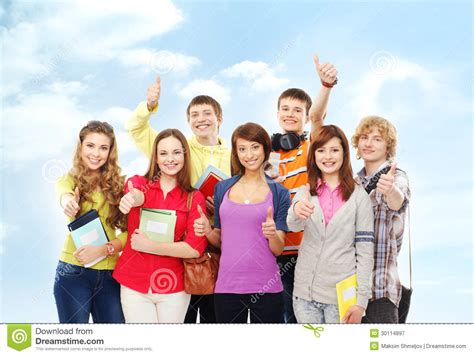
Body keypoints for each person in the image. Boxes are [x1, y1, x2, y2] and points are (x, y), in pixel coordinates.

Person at [126, 76, 229, 323]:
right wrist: (149, 106)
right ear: (188, 121)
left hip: (220, 244)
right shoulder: (179, 148)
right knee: (183, 318)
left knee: (215, 319)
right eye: (194, 114)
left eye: (207, 113)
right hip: (181, 248)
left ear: (219, 119)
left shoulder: (234, 152)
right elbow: (136, 129)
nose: (201, 118)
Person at [194, 123, 291, 323]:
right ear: (236, 153)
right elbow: (221, 240)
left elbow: (278, 249)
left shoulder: (279, 192)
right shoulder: (222, 188)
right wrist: (207, 231)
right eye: (242, 149)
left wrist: (272, 234)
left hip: (267, 288)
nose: (249, 154)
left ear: (265, 148)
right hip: (227, 287)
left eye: (255, 147)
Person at [113, 129, 207, 323]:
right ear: (155, 158)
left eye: (176, 152)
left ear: (184, 155)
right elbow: (137, 195)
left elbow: (194, 248)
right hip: (134, 284)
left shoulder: (193, 197)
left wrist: (150, 246)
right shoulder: (138, 183)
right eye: (163, 153)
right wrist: (132, 198)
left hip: (173, 288)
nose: (170, 159)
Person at [271, 54, 338, 323]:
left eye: (297, 110)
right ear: (277, 114)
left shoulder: (312, 145)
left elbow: (318, 117)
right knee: (283, 321)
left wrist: (326, 85)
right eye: (285, 109)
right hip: (277, 251)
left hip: (308, 252)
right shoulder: (267, 154)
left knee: (308, 324)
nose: (290, 114)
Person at [287, 125, 374, 323]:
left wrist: (361, 302)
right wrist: (296, 210)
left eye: (334, 150)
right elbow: (292, 225)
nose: (328, 156)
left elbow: (365, 251)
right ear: (314, 155)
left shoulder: (359, 197)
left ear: (344, 152)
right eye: (321, 150)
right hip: (304, 296)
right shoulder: (306, 191)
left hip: (341, 298)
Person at [54, 121, 127, 323]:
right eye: (90, 146)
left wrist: (104, 250)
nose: (96, 153)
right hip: (73, 272)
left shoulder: (120, 186)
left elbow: (130, 233)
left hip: (110, 274)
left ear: (110, 152)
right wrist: (69, 202)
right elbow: (63, 193)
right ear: (81, 147)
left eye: (103, 148)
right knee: (76, 343)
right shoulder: (68, 178)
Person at [351, 116, 411, 324]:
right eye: (365, 137)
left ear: (388, 146)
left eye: (377, 139)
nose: (368, 143)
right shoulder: (352, 183)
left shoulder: (397, 176)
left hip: (380, 290)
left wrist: (391, 190)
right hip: (349, 290)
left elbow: (399, 201)